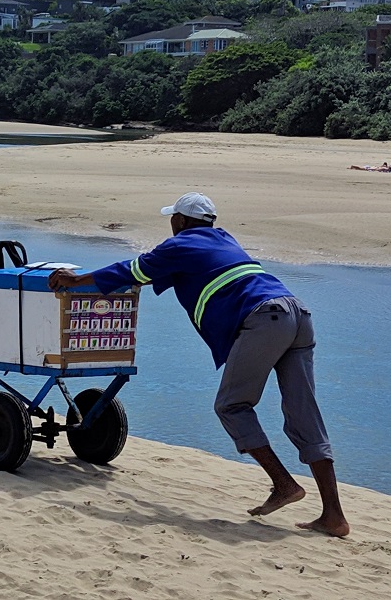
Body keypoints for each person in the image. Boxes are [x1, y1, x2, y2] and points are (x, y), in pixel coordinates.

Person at [48, 191, 350, 537]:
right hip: (296, 312)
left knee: (232, 405)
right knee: (304, 413)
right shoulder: (223, 238)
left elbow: (131, 270)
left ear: (180, 221)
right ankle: (334, 516)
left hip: (264, 318)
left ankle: (284, 485)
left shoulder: (179, 246)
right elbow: (151, 274)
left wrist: (74, 280)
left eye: (172, 219)